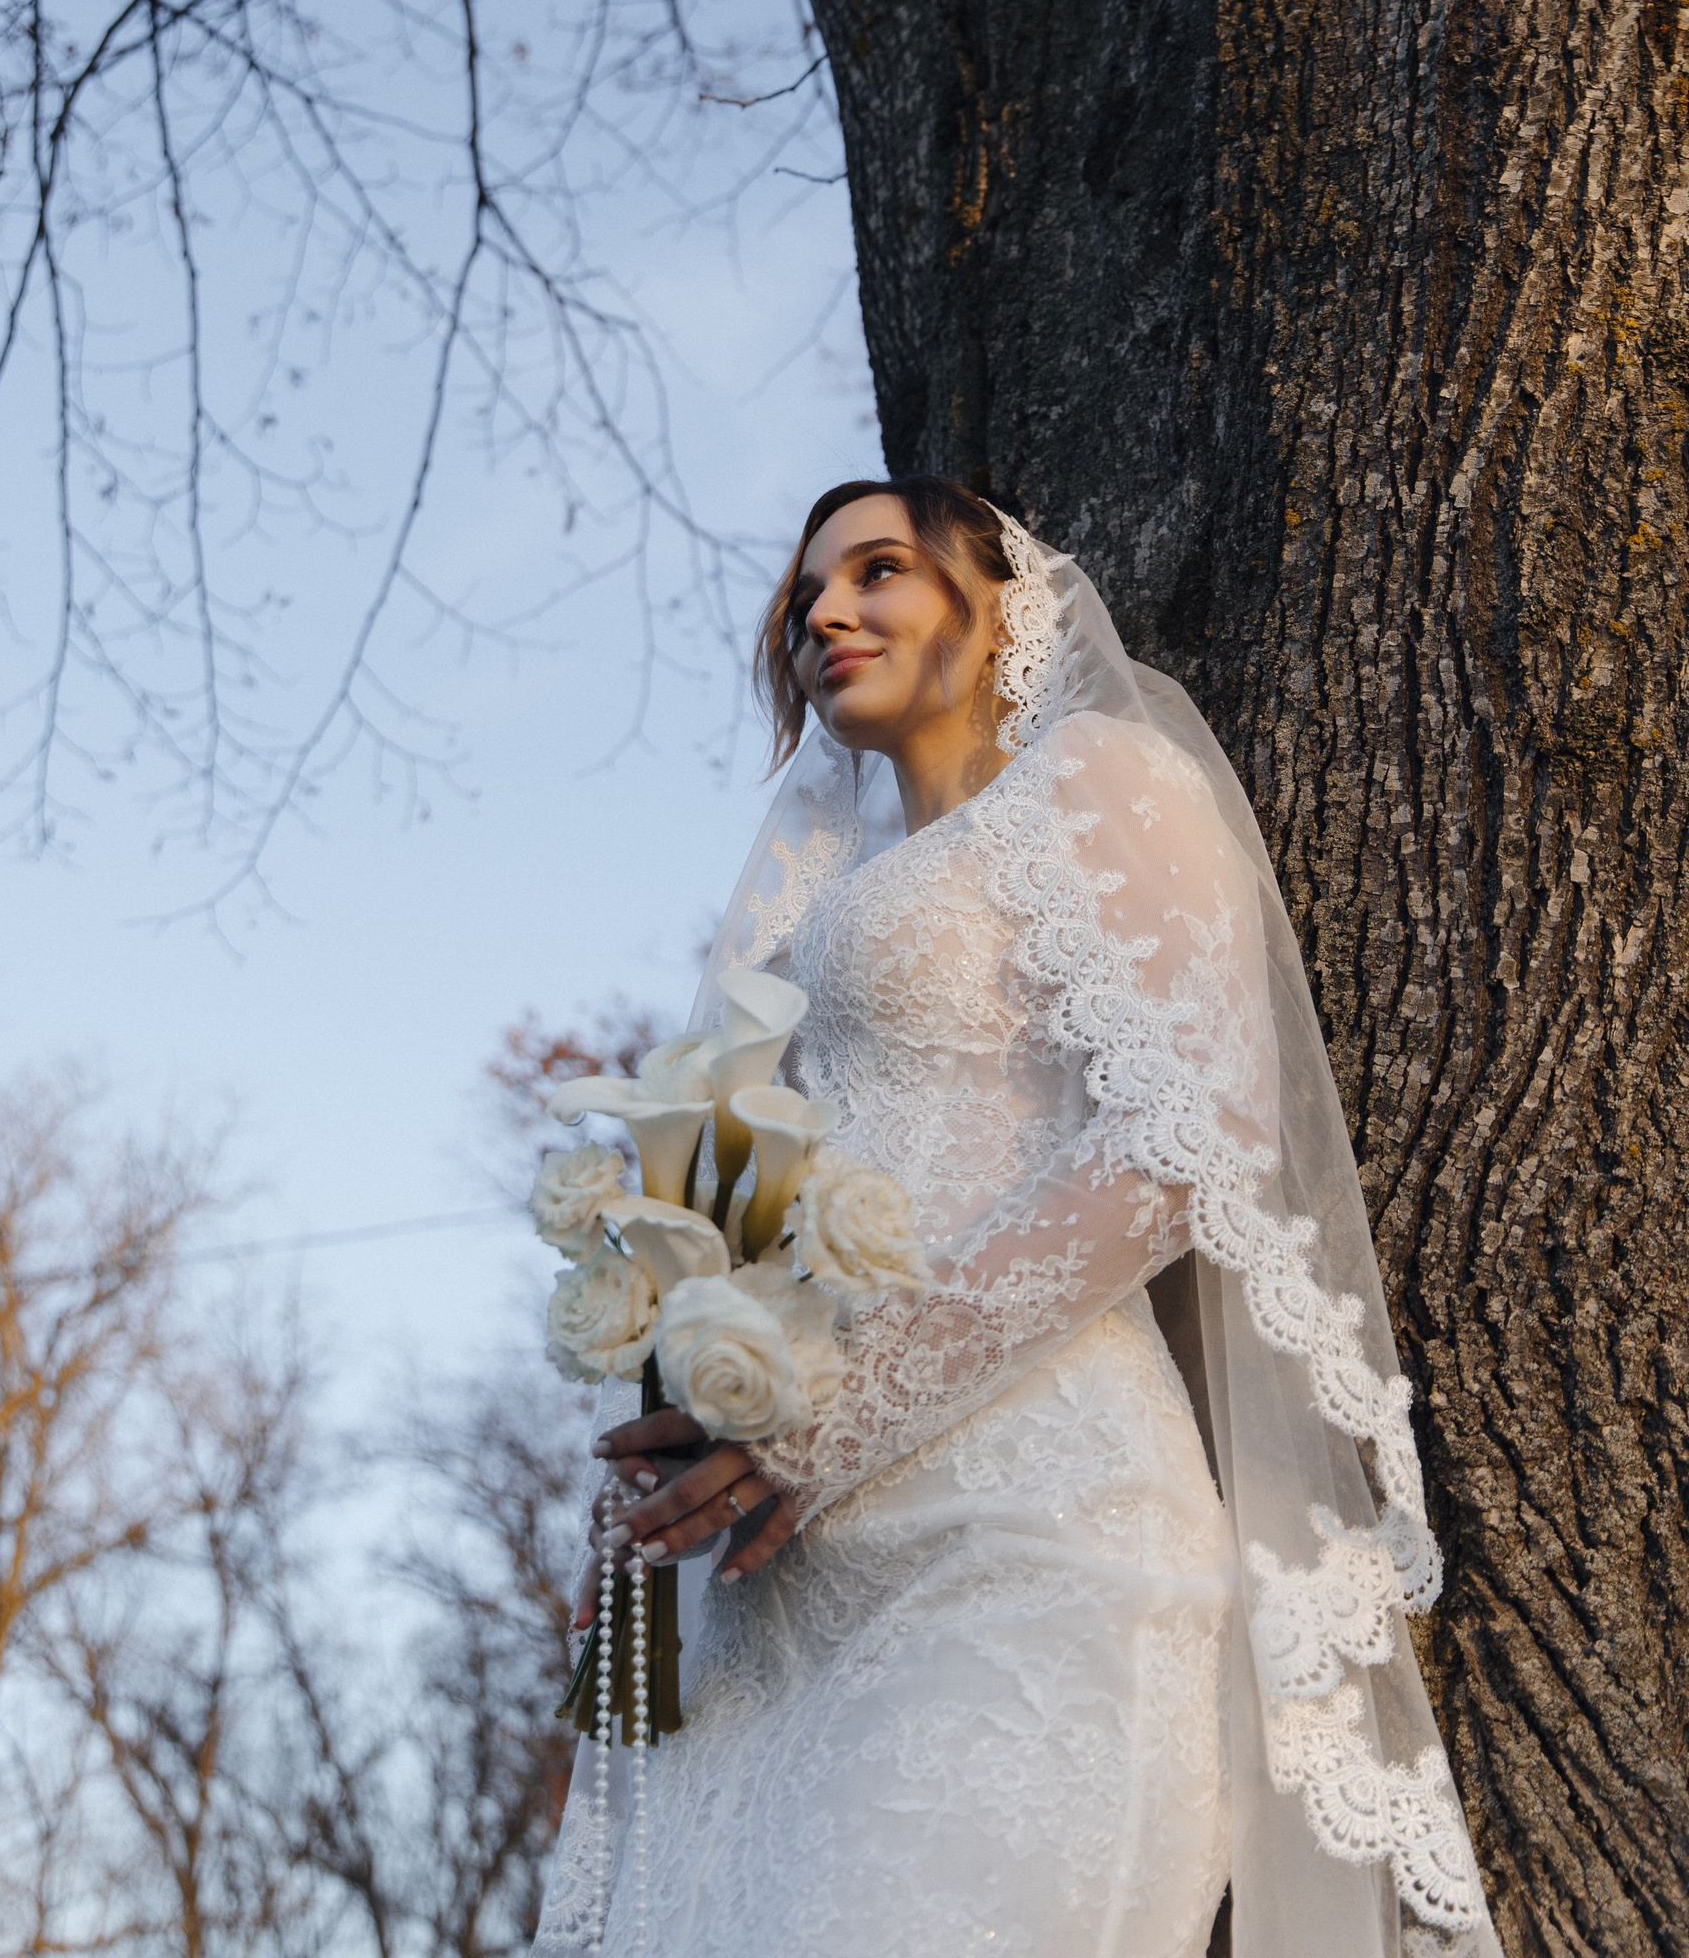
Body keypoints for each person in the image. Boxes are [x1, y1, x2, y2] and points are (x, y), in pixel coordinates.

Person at [532, 480, 1498, 1958]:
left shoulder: (1097, 779)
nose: (826, 613)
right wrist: (670, 1453)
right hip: (777, 1615)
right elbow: (738, 1230)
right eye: (805, 598)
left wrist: (832, 1416)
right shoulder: (799, 932)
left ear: (999, 608)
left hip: (1028, 1543)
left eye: (878, 570)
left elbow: (1194, 1132)